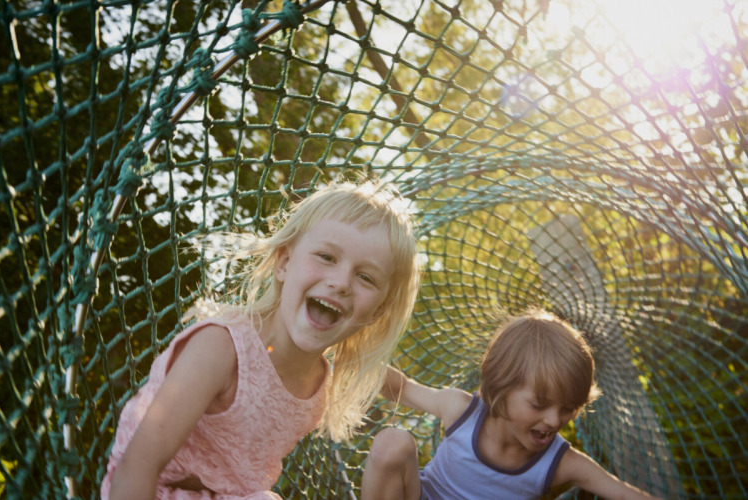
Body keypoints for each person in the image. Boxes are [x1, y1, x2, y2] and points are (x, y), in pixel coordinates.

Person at [101, 180, 421, 499]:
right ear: (284, 263)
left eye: (365, 277)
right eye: (326, 257)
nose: (340, 283)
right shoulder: (220, 349)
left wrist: (438, 401)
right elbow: (137, 466)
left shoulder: (318, 384)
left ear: (377, 313)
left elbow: (374, 374)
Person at [361, 309, 663, 500]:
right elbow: (401, 387)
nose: (553, 420)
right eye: (539, 404)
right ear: (501, 387)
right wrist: (346, 357)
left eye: (567, 408)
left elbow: (624, 494)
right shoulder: (460, 411)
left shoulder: (558, 462)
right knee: (393, 442)